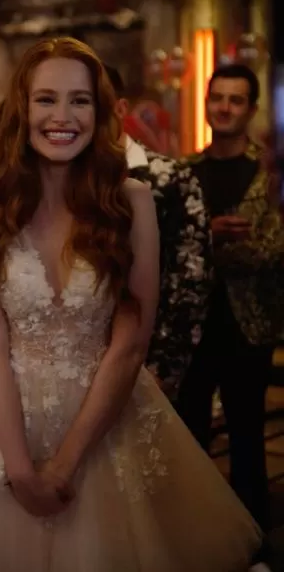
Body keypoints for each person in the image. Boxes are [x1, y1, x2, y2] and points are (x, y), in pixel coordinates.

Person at [0, 37, 261, 571]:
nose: (62, 116)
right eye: (46, 99)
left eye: (79, 100)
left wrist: (66, 463)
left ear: (100, 113)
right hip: (7, 421)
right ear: (22, 108)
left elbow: (131, 342)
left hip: (109, 420)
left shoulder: (132, 201)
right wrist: (20, 470)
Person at [177, 64, 284, 536]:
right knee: (188, 439)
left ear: (252, 109)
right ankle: (194, 539)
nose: (223, 108)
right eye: (217, 98)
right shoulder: (183, 173)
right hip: (190, 328)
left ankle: (251, 541)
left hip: (249, 327)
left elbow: (268, 250)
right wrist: (210, 233)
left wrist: (201, 242)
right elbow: (163, 249)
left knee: (246, 440)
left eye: (235, 100)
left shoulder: (269, 175)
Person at [104, 65, 212, 398]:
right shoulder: (64, 180)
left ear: (120, 108)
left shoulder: (170, 178)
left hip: (149, 360)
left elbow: (190, 279)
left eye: (90, 101)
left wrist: (163, 369)